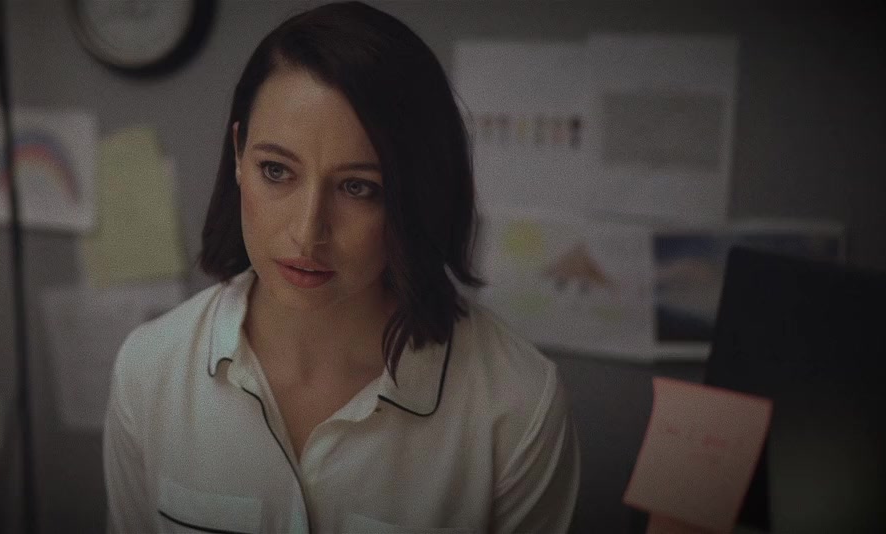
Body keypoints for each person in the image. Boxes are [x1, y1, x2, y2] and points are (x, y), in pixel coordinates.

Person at [102, 2, 579, 532]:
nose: (308, 232)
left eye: (358, 187)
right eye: (276, 170)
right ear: (238, 154)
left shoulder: (515, 405)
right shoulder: (150, 369)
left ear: (415, 192)